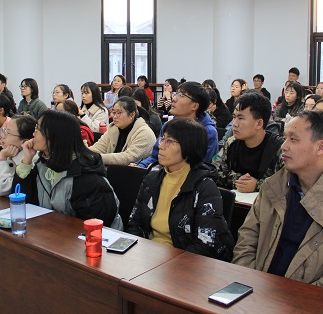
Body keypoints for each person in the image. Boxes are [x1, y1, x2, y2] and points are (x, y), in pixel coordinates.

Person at [232, 111, 323, 296]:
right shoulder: (273, 187)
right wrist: (250, 284)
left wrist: (295, 300)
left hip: (309, 303)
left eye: (293, 139)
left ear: (321, 147)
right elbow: (246, 240)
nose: (283, 146)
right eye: (284, 138)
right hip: (256, 292)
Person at [126, 118, 234, 261]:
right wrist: (136, 254)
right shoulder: (153, 176)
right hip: (148, 254)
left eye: (169, 141)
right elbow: (135, 223)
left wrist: (169, 263)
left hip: (182, 261)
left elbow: (205, 244)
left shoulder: (204, 186)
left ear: (189, 147)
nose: (161, 146)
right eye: (162, 139)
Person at [12, 110, 123, 229]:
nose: (33, 134)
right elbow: (24, 203)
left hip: (93, 237)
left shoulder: (85, 177)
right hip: (55, 232)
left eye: (38, 129)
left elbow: (96, 226)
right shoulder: (44, 164)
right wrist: (27, 160)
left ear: (54, 136)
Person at [136, 81, 219, 168]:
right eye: (176, 94)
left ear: (194, 106)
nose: (174, 99)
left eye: (181, 95)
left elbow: (202, 167)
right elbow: (155, 156)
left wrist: (159, 168)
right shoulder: (168, 125)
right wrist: (141, 166)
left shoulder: (208, 132)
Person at [213, 92, 283, 192]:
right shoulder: (232, 142)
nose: (234, 124)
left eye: (240, 118)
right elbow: (214, 170)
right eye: (234, 117)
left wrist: (257, 185)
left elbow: (288, 182)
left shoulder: (279, 148)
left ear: (259, 123)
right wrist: (238, 180)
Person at [90, 97, 156, 165]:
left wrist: (97, 158)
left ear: (132, 115)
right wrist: (85, 154)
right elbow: (98, 148)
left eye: (119, 113)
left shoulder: (145, 133)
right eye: (114, 112)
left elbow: (128, 158)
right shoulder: (113, 129)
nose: (114, 116)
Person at [0, 115, 37, 196]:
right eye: (4, 130)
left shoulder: (31, 160)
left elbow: (2, 189)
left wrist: (2, 159)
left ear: (24, 142)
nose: (2, 136)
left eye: (8, 133)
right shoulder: (11, 154)